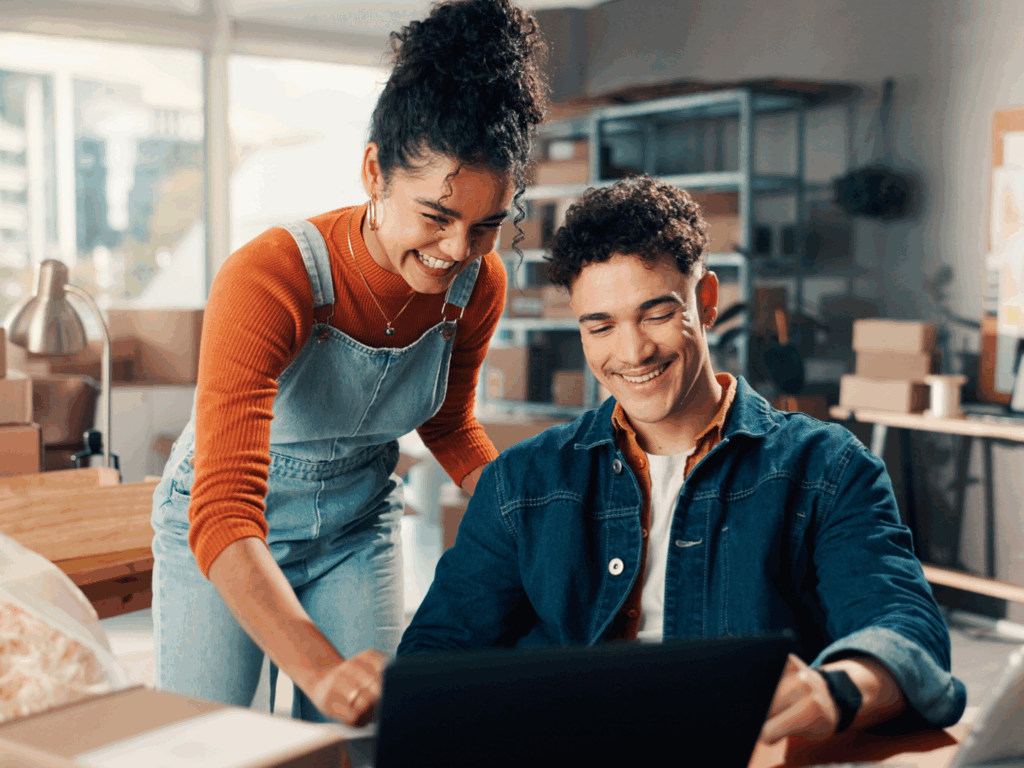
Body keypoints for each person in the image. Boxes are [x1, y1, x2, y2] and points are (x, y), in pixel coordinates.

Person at [398, 176, 967, 742]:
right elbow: (436, 654)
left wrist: (836, 690)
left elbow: (904, 629)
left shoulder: (827, 469)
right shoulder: (520, 482)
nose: (632, 351)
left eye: (656, 313)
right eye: (600, 326)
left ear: (708, 301)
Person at [150, 0, 546, 730]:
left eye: (487, 225)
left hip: (355, 528)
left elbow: (452, 425)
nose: (458, 250)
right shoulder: (271, 277)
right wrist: (319, 667)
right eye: (436, 215)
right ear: (374, 172)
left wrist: (528, 517)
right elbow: (225, 510)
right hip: (230, 527)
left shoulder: (477, 286)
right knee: (207, 744)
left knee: (364, 739)